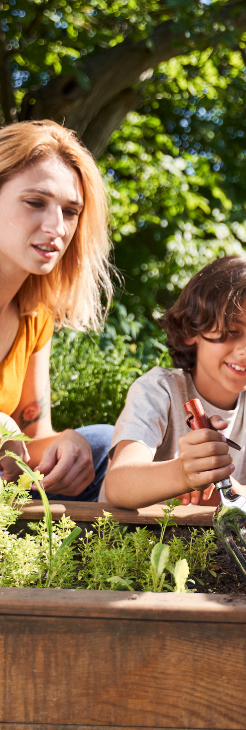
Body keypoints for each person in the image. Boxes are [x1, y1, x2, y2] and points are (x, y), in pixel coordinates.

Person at [103, 256, 246, 510]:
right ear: (193, 329)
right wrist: (183, 475)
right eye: (232, 331)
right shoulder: (158, 390)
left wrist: (239, 494)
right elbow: (117, 484)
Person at [0, 120, 114, 501]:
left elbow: (31, 437)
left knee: (106, 444)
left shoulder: (35, 315)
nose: (57, 227)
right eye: (35, 203)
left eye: (70, 211)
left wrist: (70, 443)